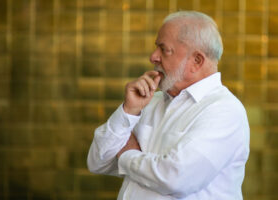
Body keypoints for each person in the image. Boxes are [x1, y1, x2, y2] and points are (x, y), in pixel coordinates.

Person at [87, 10, 250, 200]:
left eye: (164, 49)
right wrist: (129, 111)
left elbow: (175, 178)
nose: (153, 57)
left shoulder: (224, 111)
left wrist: (127, 153)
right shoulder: (149, 102)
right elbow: (97, 162)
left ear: (196, 61)